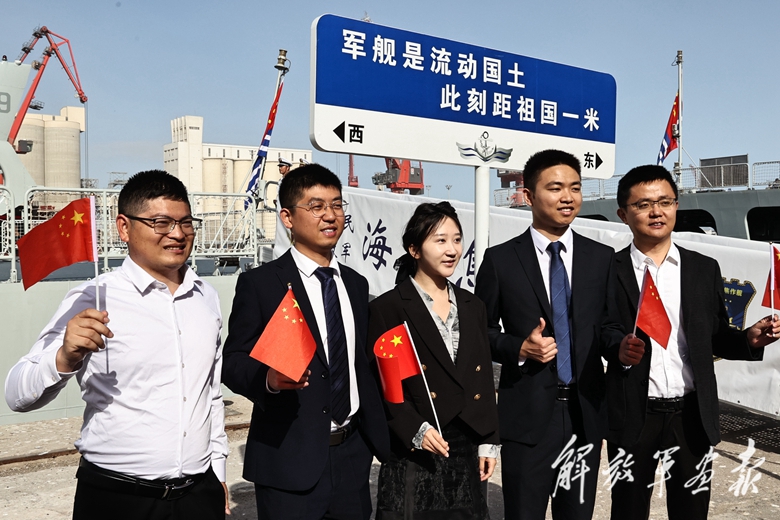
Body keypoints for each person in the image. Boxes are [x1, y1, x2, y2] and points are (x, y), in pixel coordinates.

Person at [4, 170, 229, 520]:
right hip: (117, 499)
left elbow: (210, 394)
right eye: (161, 223)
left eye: (186, 222)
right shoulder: (93, 298)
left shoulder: (205, 297)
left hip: (199, 496)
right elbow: (16, 395)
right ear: (124, 227)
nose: (177, 234)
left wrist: (219, 469)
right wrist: (63, 358)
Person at [475, 149, 641, 520]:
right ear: (529, 196)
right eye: (555, 188)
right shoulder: (500, 260)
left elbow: (608, 326)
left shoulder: (601, 258)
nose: (568, 197)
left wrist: (620, 348)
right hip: (527, 418)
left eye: (575, 188)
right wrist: (519, 347)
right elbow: (479, 333)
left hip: (585, 415)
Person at [606, 164, 780, 520]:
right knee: (628, 509)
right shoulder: (609, 269)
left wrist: (749, 339)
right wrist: (618, 349)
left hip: (691, 415)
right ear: (623, 214)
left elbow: (715, 335)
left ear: (676, 205)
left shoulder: (703, 268)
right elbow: (601, 330)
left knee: (692, 511)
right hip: (633, 413)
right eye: (643, 205)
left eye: (664, 201)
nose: (656, 212)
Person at [222, 163, 390, 520]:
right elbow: (233, 360)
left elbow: (359, 364)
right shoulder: (261, 284)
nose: (330, 215)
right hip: (289, 459)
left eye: (337, 205)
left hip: (352, 455)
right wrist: (268, 379)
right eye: (316, 206)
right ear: (287, 217)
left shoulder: (355, 285)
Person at [368, 202, 500, 519]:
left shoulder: (473, 305)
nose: (452, 250)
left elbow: (482, 378)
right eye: (440, 240)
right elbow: (383, 385)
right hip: (415, 445)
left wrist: (488, 441)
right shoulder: (389, 307)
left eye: (457, 239)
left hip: (465, 442)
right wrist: (415, 428)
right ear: (414, 249)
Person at [273, 157, 294, 259]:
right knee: (280, 230)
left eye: (282, 166)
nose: (280, 168)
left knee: (287, 229)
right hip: (280, 207)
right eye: (280, 166)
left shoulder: (290, 180)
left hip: (286, 208)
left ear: (288, 168)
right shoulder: (281, 180)